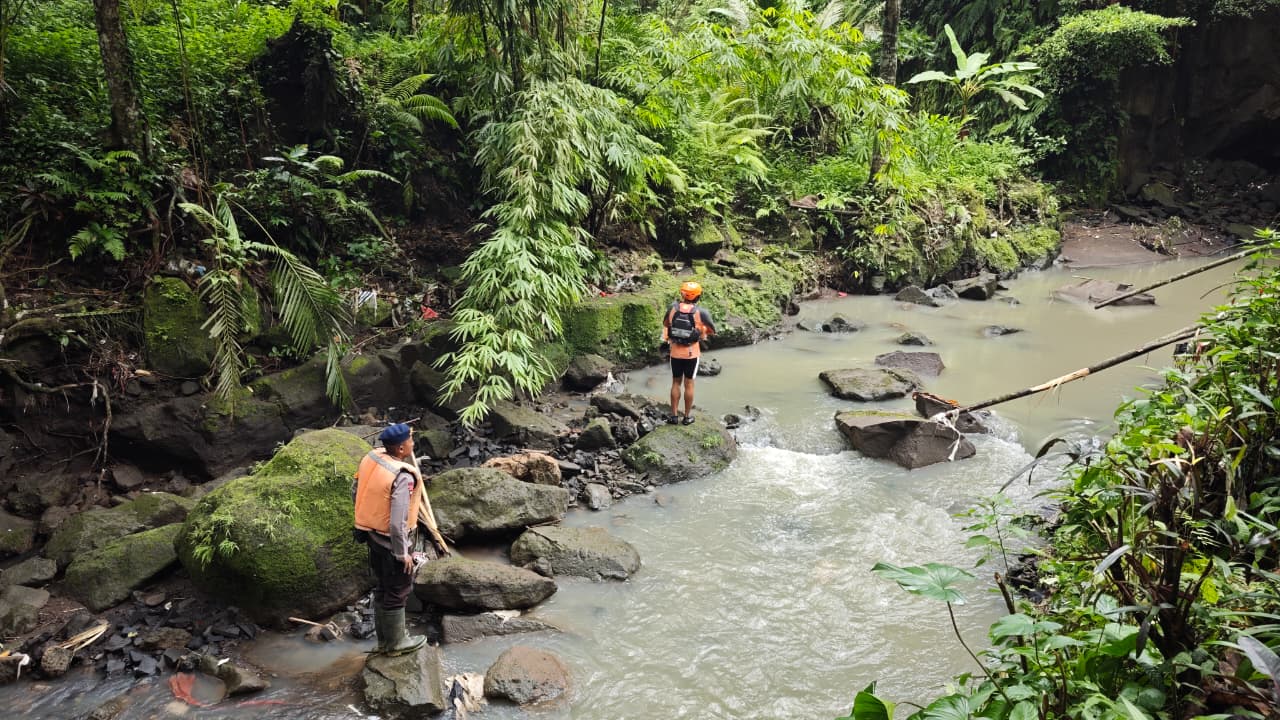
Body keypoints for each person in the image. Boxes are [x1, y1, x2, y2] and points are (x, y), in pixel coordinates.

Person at [352, 422, 428, 656]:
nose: (413, 443)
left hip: (372, 538)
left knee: (382, 588)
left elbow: (356, 491)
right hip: (390, 544)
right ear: (401, 449)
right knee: (398, 590)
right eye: (410, 441)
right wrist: (402, 553)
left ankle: (384, 642)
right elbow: (398, 522)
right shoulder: (402, 476)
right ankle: (396, 644)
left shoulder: (372, 458)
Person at [661, 280, 716, 425]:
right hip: (692, 353)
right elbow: (712, 330)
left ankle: (673, 416)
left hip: (675, 352)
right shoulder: (701, 312)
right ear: (698, 296)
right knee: (689, 383)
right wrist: (701, 330)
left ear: (682, 294)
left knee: (676, 382)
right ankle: (686, 417)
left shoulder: (673, 308)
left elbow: (666, 324)